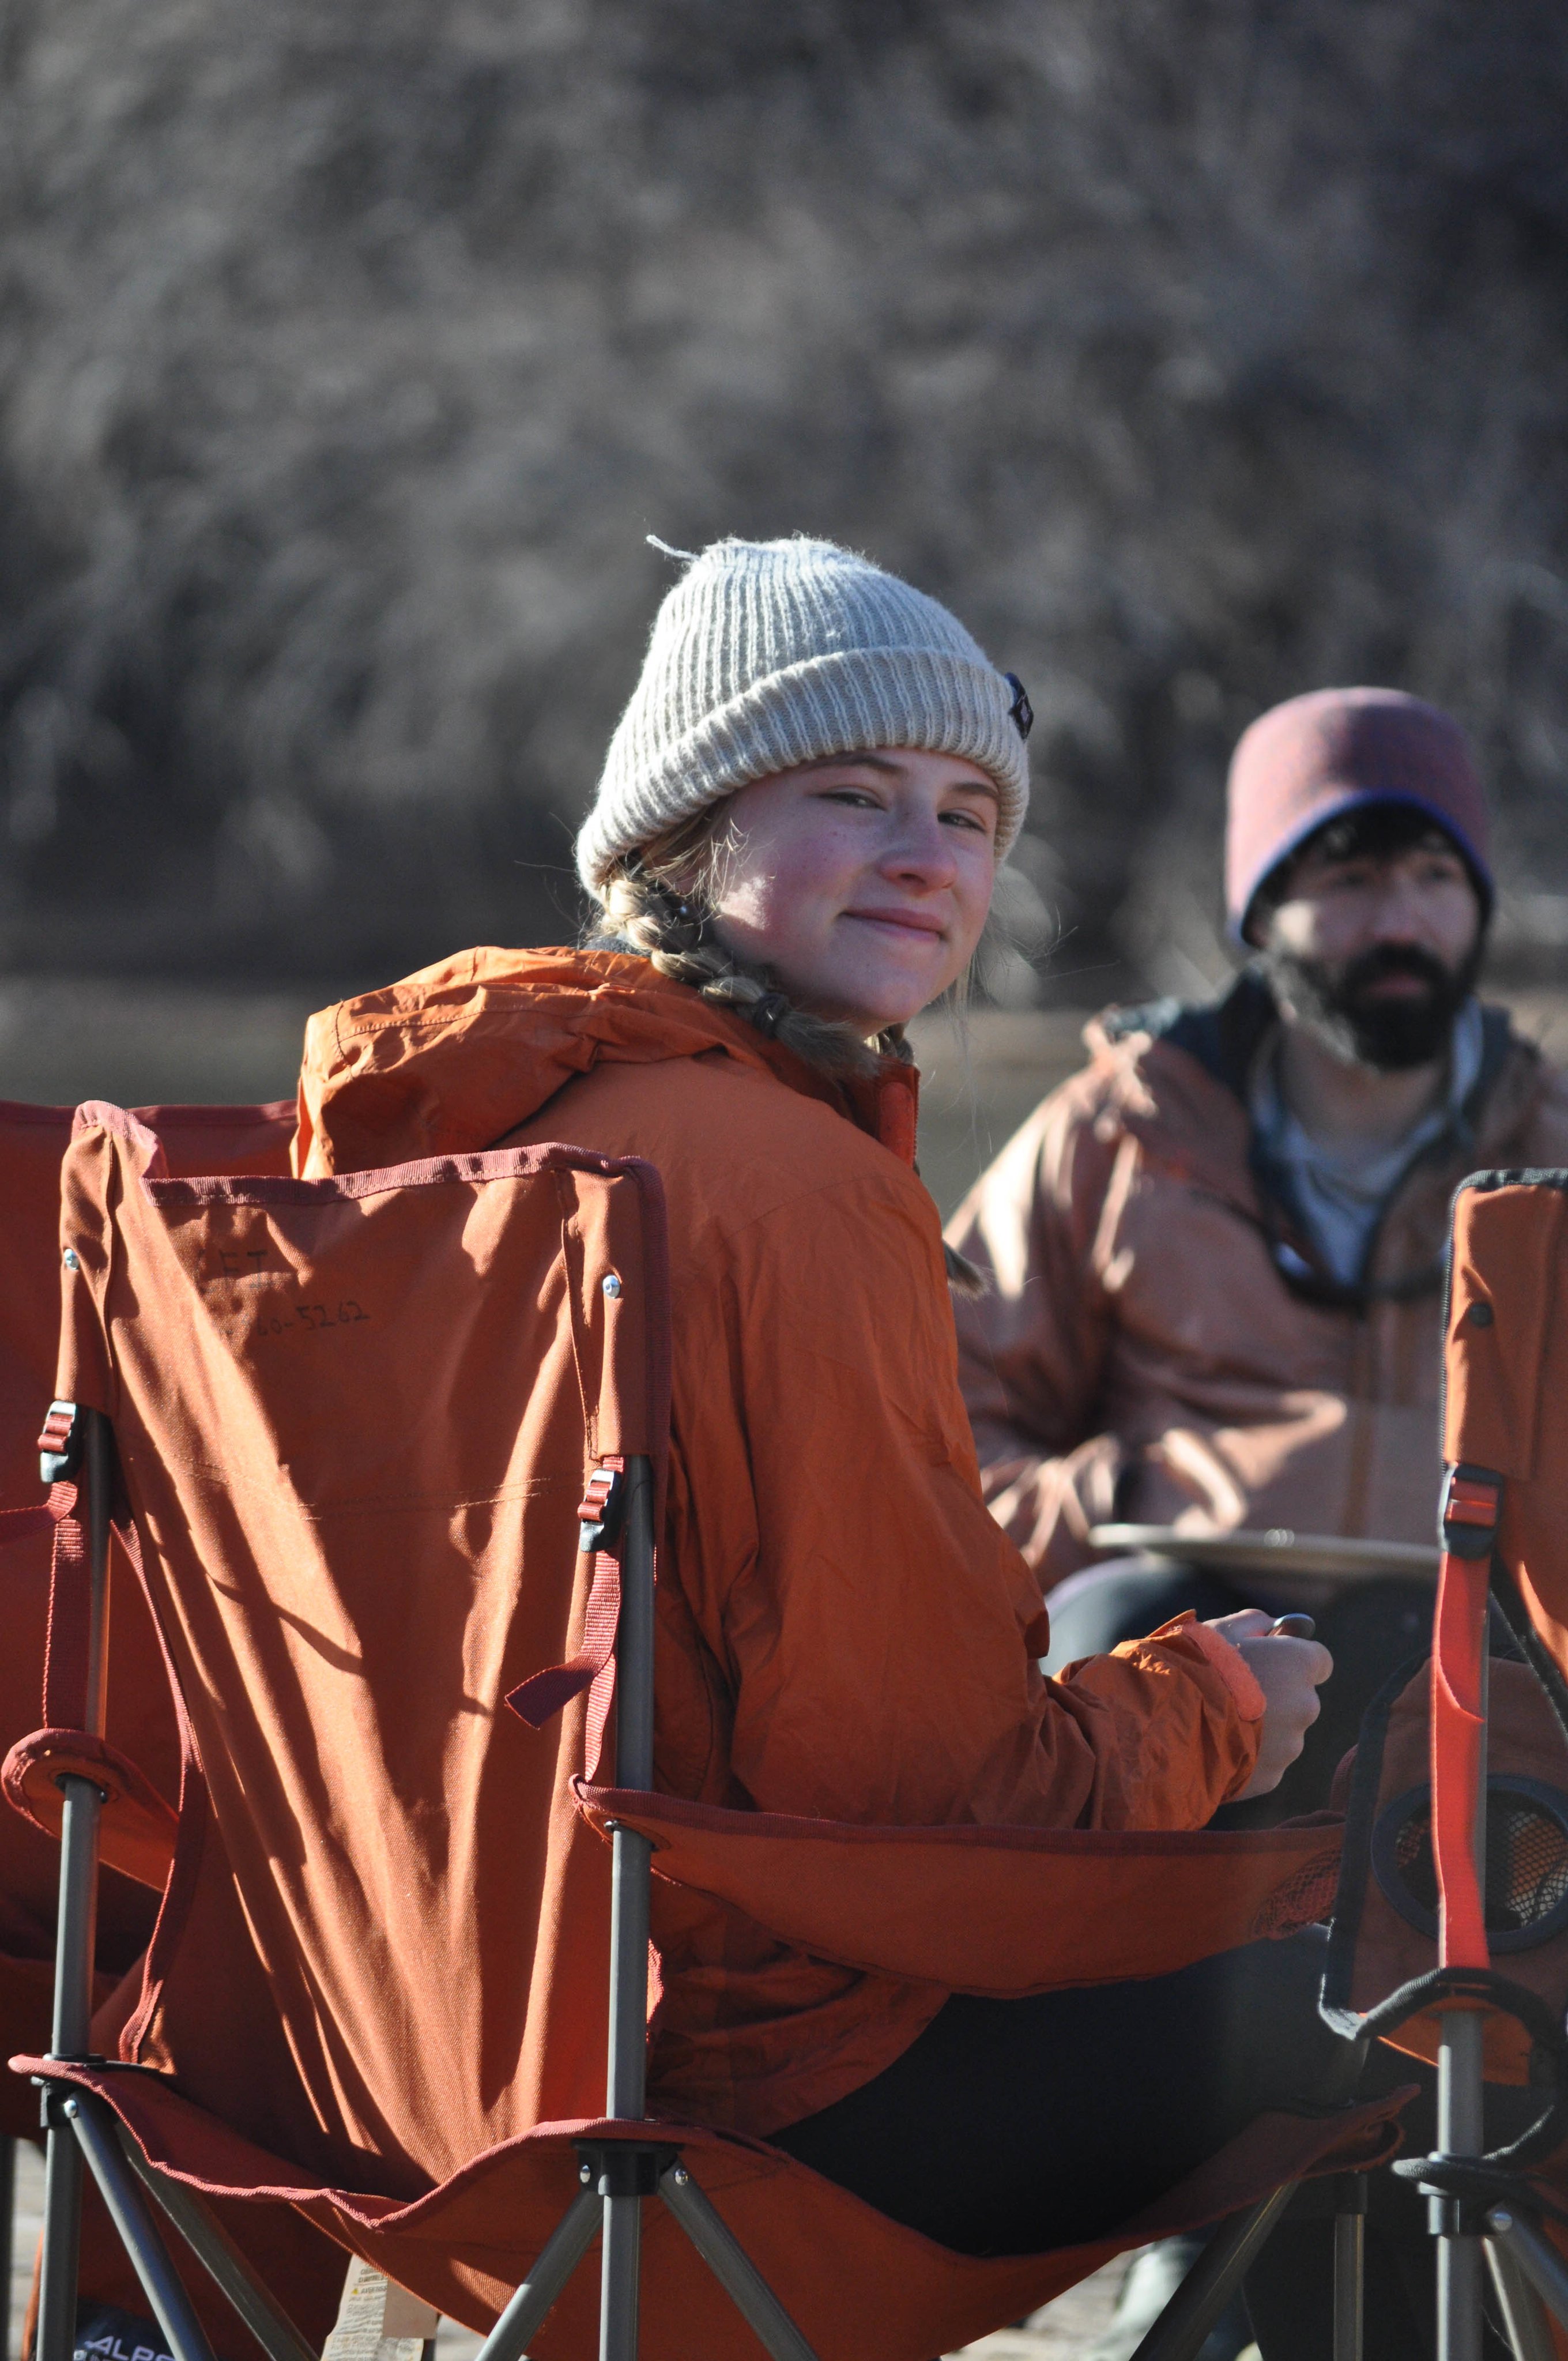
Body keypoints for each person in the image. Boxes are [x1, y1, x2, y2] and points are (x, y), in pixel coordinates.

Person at [293, 538, 1347, 2345]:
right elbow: (923, 1806)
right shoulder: (791, 1195)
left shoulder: (454, 1152)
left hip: (405, 2074)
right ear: (683, 840)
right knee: (1433, 1992)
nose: (932, 857)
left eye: (969, 812)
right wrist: (1207, 1710)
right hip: (762, 2101)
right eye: (853, 795)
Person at [949, 686, 1568, 1820]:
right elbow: (928, 1436)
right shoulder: (1114, 1135)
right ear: (1260, 907)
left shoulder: (1553, 1148)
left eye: (1436, 877)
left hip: (1489, 1638)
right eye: (1347, 879)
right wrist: (1128, 1489)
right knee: (1094, 1643)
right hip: (1187, 1635)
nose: (1400, 920)